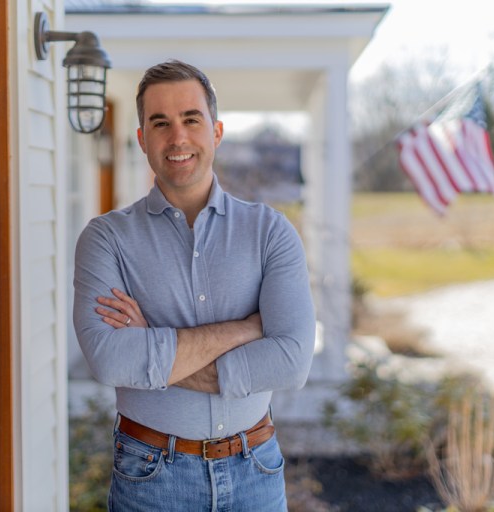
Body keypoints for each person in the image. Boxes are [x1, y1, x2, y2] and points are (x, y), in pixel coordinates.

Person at [73, 59, 316, 511]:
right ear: (142, 139)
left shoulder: (270, 232)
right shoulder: (106, 239)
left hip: (255, 473)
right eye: (160, 123)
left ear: (216, 132)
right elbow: (110, 360)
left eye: (191, 119)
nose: (177, 137)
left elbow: (291, 362)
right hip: (151, 477)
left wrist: (154, 350)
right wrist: (246, 329)